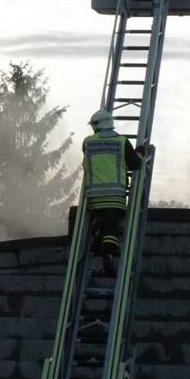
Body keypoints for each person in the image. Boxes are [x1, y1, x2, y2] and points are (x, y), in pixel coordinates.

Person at [82, 109, 142, 275]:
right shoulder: (122, 142)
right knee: (112, 224)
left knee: (100, 220)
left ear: (97, 125)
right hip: (115, 194)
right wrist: (141, 153)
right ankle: (108, 251)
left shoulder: (87, 142)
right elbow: (135, 165)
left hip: (93, 194)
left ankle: (97, 242)